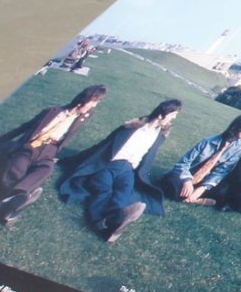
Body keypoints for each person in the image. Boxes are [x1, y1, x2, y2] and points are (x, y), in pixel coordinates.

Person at [0, 84, 107, 225]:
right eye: (94, 101)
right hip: (30, 146)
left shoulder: (86, 115)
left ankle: (13, 200)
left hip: (49, 151)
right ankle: (16, 202)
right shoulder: (51, 112)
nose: (94, 106)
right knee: (17, 167)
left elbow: (85, 113)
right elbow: (22, 128)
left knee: (45, 170)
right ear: (83, 100)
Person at [57, 99, 181, 242]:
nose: (174, 119)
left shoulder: (159, 136)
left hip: (128, 169)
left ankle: (116, 219)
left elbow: (147, 159)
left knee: (124, 190)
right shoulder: (132, 127)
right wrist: (65, 160)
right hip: (109, 164)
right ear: (161, 115)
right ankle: (103, 221)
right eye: (172, 115)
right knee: (104, 189)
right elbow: (101, 146)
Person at [161, 111, 241, 206]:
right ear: (240, 125)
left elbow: (222, 171)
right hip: (186, 176)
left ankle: (191, 196)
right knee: (171, 184)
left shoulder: (240, 145)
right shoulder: (208, 141)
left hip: (204, 180)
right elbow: (183, 163)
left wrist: (202, 188)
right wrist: (187, 181)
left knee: (223, 192)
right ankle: (193, 200)